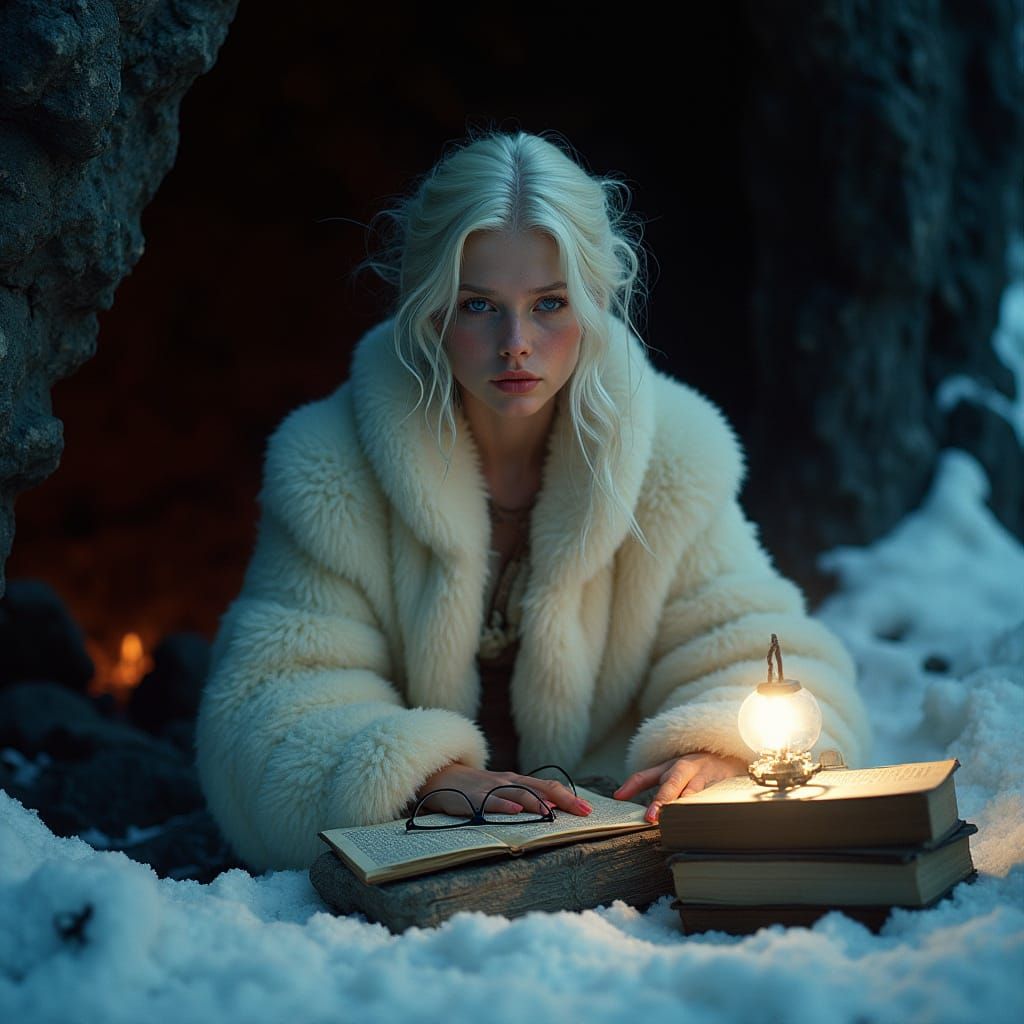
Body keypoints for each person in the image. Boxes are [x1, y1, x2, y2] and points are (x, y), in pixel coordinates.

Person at [195, 130, 872, 872]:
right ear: (430, 312)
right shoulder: (331, 463)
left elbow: (764, 648)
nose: (516, 343)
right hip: (420, 868)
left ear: (593, 301)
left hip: (618, 842)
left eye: (549, 303)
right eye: (479, 305)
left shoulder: (672, 452)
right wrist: (423, 779)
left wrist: (722, 750)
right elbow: (269, 698)